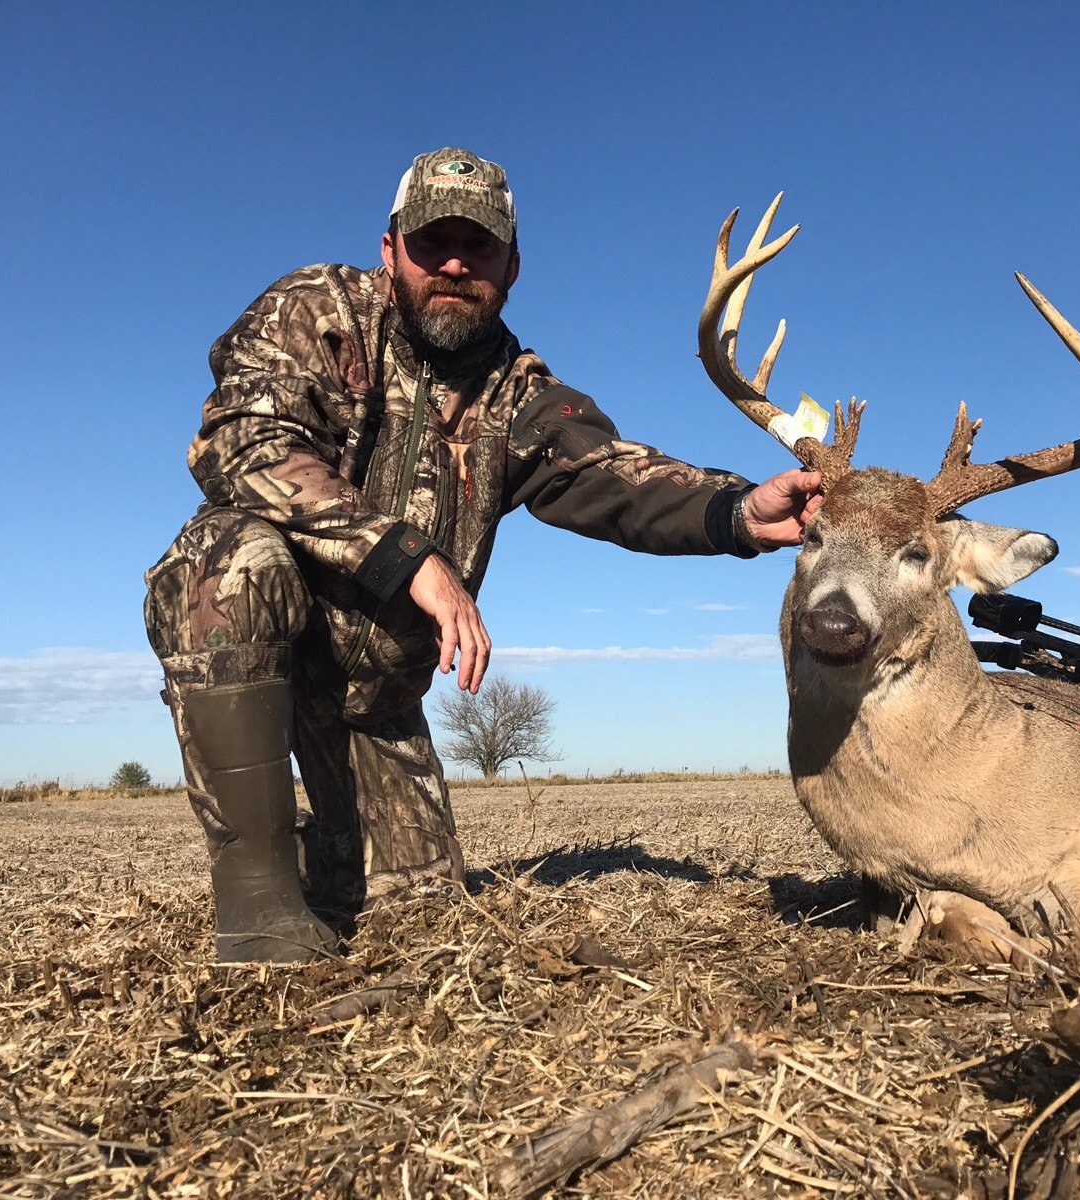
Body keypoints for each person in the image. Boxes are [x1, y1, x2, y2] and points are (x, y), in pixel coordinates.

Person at [144, 148, 821, 963]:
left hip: (374, 698)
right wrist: (410, 559)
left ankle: (297, 849)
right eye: (434, 243)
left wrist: (739, 511)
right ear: (391, 249)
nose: (456, 264)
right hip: (273, 636)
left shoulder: (515, 390)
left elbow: (611, 474)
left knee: (416, 916)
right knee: (225, 555)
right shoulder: (315, 310)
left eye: (481, 246)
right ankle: (255, 900)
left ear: (513, 266)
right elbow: (241, 444)